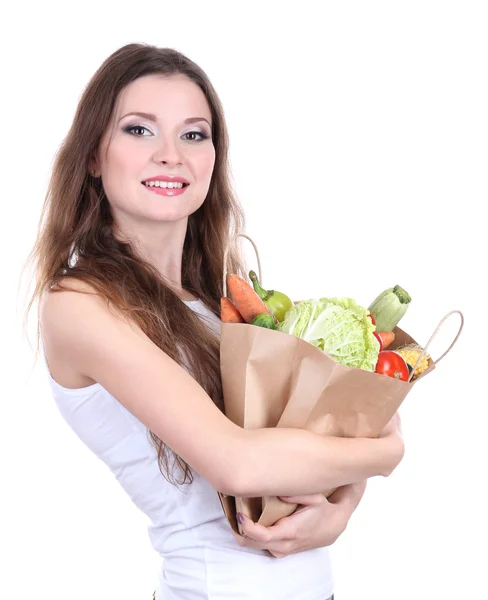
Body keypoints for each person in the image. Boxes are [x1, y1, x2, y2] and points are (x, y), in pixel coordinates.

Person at [26, 43, 404, 600]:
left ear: (212, 158)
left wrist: (342, 507)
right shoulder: (79, 304)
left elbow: (337, 421)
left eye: (194, 134)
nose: (170, 154)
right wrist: (387, 458)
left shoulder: (223, 297)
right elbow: (240, 464)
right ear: (92, 155)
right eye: (139, 130)